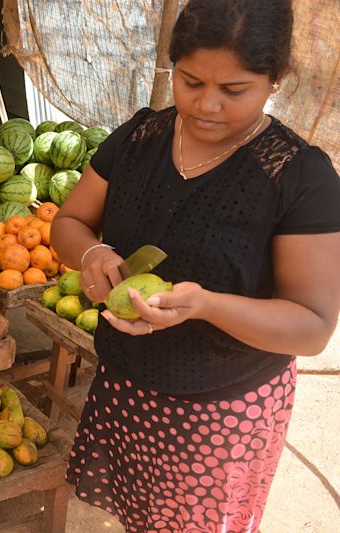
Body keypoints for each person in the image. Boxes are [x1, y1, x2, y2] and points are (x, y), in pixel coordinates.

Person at [50, 0, 340, 531]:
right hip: (127, 387)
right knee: (141, 516)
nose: (207, 105)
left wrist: (204, 306)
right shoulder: (140, 138)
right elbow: (69, 222)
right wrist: (91, 253)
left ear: (275, 79)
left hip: (221, 411)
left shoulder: (300, 178)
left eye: (234, 91)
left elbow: (312, 326)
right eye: (190, 82)